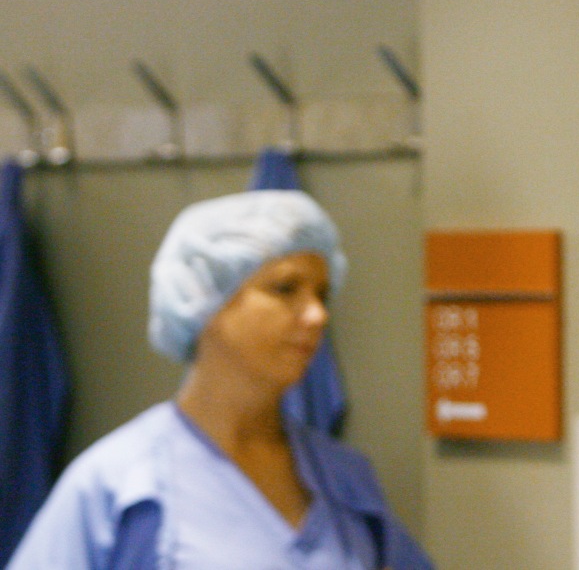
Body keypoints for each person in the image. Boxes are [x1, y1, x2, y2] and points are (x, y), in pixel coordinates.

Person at [8, 190, 433, 569]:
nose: (317, 315)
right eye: (286, 289)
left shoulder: (344, 481)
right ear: (203, 299)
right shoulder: (120, 486)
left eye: (322, 294)